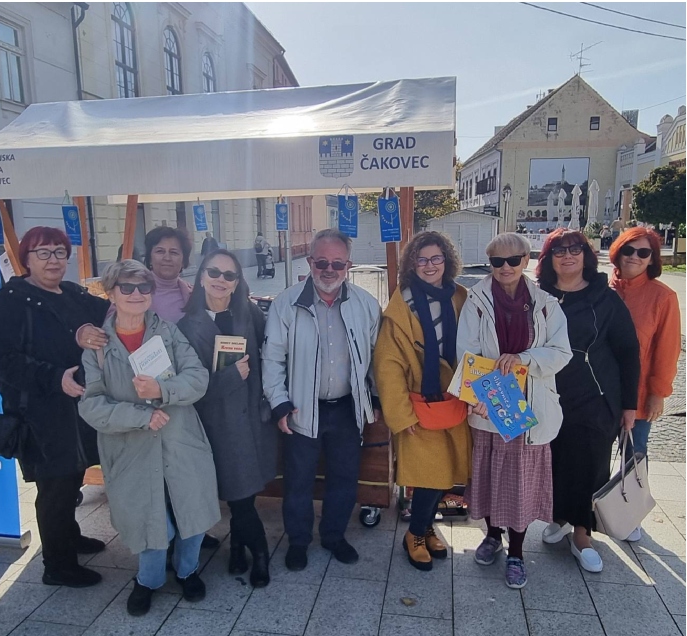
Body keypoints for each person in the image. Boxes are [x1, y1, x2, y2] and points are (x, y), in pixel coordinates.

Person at [78, 259, 218, 616]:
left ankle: (187, 570)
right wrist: (140, 416)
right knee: (149, 519)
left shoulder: (168, 333)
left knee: (191, 508)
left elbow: (198, 377)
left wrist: (163, 389)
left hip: (180, 437)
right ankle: (149, 579)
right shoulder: (96, 345)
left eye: (144, 287)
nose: (137, 294)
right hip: (130, 446)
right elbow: (91, 405)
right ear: (111, 293)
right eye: (127, 287)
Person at [0, 227, 110, 588]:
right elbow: (2, 359)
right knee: (54, 485)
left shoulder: (72, 293)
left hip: (77, 406)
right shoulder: (11, 299)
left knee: (72, 475)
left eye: (60, 252)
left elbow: (111, 310)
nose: (53, 260)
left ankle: (69, 536)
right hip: (39, 409)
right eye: (43, 253)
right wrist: (53, 376)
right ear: (26, 259)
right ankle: (57, 565)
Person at [262, 229, 382, 571]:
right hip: (301, 409)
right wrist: (279, 403)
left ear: (349, 265)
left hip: (347, 409)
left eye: (337, 263)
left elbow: (376, 357)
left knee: (344, 480)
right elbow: (272, 359)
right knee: (298, 482)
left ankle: (333, 537)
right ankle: (298, 541)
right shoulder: (286, 304)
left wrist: (373, 396)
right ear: (310, 261)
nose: (329, 270)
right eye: (322, 262)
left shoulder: (366, 304)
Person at [457, 233, 571, 589]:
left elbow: (561, 352)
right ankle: (492, 535)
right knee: (491, 476)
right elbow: (466, 351)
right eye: (496, 261)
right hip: (492, 402)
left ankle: (518, 552)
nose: (505, 268)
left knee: (520, 484)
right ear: (489, 263)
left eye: (513, 260)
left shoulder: (547, 304)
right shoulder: (475, 300)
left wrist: (524, 359)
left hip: (531, 404)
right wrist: (478, 391)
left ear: (526, 260)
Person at [536, 229, 639, 571]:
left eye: (575, 249)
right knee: (555, 461)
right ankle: (561, 517)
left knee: (589, 462)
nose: (568, 255)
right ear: (548, 259)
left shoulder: (604, 298)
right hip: (549, 395)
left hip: (595, 395)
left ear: (586, 255)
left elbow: (628, 352)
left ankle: (583, 533)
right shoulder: (539, 297)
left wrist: (629, 405)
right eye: (559, 250)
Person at [177, 249, 277, 587]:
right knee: (240, 496)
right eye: (214, 272)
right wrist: (231, 376)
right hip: (216, 426)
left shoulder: (249, 313)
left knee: (243, 494)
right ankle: (260, 554)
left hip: (252, 424)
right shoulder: (185, 326)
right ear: (202, 276)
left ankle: (237, 549)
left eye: (229, 275)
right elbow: (189, 387)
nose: (221, 280)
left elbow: (273, 357)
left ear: (237, 282)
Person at [373, 231, 471, 572]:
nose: (430, 266)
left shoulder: (461, 297)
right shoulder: (401, 307)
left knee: (446, 476)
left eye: (436, 258)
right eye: (422, 259)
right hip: (418, 403)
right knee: (429, 475)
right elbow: (388, 366)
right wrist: (401, 416)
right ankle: (414, 534)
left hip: (455, 401)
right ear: (412, 264)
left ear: (447, 261)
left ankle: (427, 527)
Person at [609, 227, 681, 541]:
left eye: (644, 252)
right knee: (591, 453)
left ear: (653, 258)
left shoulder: (662, 296)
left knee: (634, 453)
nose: (635, 258)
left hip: (637, 392)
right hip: (597, 389)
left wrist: (658, 393)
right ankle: (583, 510)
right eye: (629, 250)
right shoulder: (604, 287)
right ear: (617, 252)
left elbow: (667, 350)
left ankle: (631, 513)